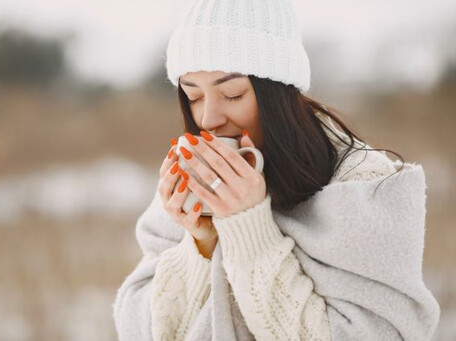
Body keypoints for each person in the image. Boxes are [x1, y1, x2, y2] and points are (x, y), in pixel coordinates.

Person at [113, 0, 440, 340]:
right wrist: (200, 244)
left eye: (232, 93)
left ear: (278, 92)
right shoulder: (190, 190)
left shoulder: (363, 186)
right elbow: (137, 328)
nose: (208, 118)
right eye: (193, 96)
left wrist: (250, 231)